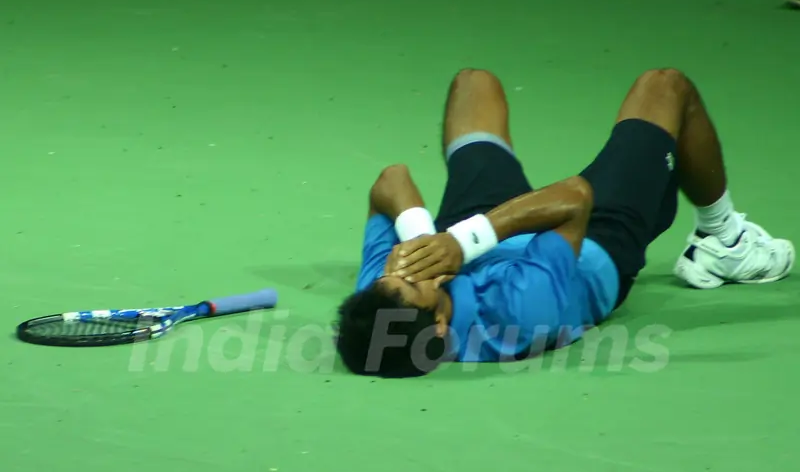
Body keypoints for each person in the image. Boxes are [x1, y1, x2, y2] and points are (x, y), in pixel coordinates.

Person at [334, 68, 795, 378]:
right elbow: (575, 199)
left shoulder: (381, 298)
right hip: (590, 242)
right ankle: (726, 241)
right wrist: (460, 242)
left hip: (475, 241)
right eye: (410, 281)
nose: (400, 269)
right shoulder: (518, 314)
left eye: (391, 274)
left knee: (474, 86)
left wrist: (422, 239)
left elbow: (390, 181)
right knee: (666, 88)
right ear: (438, 324)